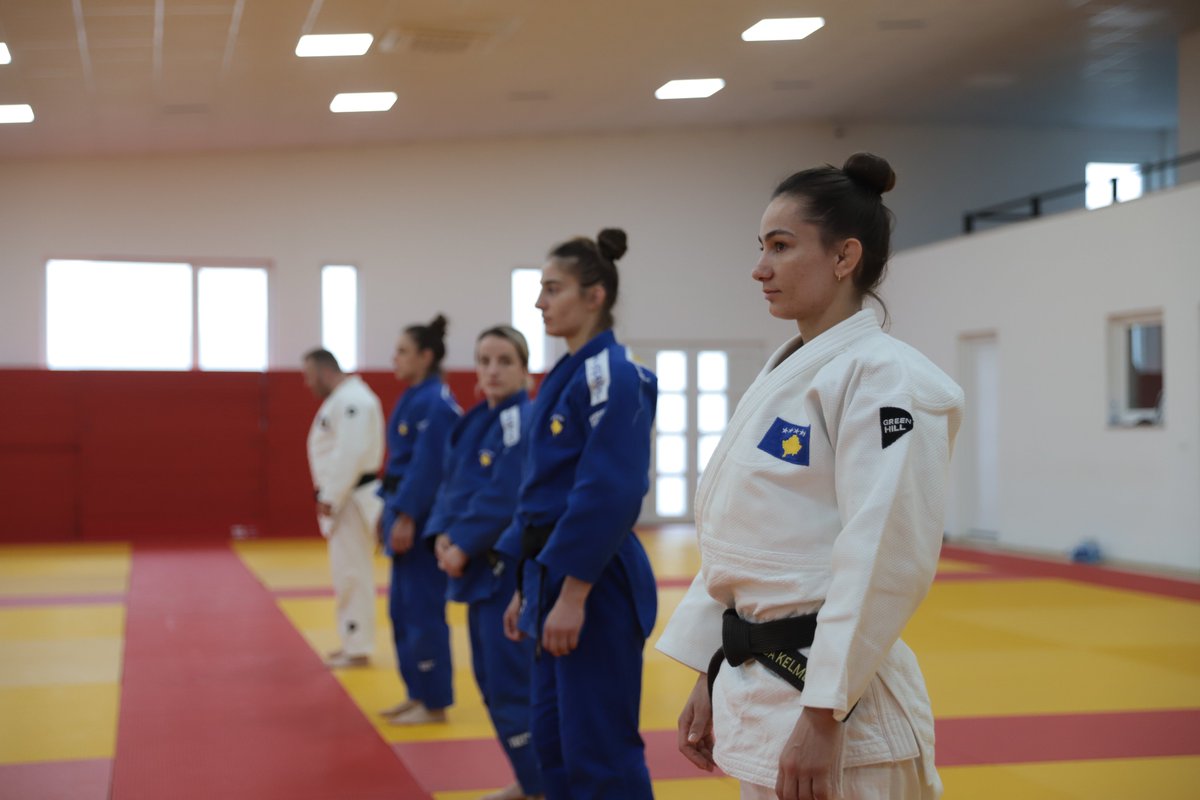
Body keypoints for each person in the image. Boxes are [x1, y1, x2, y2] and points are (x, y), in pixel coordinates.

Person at [656, 153, 964, 800]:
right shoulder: (788, 373)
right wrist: (713, 669)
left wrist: (825, 712)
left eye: (781, 246)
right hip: (765, 687)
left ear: (844, 257)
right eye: (761, 246)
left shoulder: (886, 380)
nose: (759, 268)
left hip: (846, 714)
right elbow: (746, 544)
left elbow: (884, 553)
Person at [497, 229, 658, 800]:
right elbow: (540, 490)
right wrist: (527, 582)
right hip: (550, 571)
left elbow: (610, 491)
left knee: (600, 749)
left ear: (595, 296)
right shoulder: (564, 374)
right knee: (553, 742)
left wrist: (573, 594)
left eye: (552, 288)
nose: (540, 302)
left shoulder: (611, 375)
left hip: (596, 579)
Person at [424, 325, 544, 800]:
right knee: (491, 683)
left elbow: (504, 494)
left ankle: (542, 785)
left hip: (503, 573)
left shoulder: (521, 419)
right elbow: (449, 485)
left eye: (504, 361)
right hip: (474, 570)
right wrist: (441, 535)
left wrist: (463, 543)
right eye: (484, 360)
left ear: (524, 369)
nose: (492, 370)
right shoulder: (477, 420)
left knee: (511, 683)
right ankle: (530, 778)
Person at [377, 315, 461, 725]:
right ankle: (415, 692)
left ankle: (435, 703)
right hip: (399, 511)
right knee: (401, 612)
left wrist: (408, 516)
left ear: (426, 356)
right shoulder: (414, 397)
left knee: (423, 612)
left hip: (423, 523)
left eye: (403, 351)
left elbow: (430, 469)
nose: (394, 358)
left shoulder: (437, 403)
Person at [303, 348, 385, 669]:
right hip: (345, 496)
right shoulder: (343, 399)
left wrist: (331, 495)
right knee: (346, 572)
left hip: (350, 497)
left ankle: (359, 646)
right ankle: (352, 639)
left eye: (309, 377)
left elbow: (348, 453)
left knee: (353, 573)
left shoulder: (354, 400)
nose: (308, 384)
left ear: (324, 372)